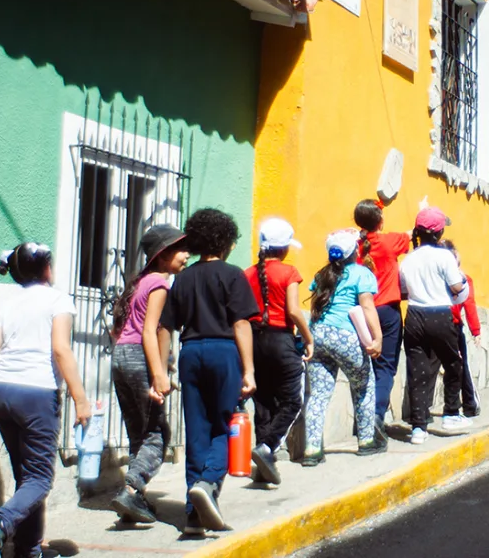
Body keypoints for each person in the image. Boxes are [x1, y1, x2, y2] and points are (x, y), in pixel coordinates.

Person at [0, 243, 91, 558]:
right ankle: (0, 526)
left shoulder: (8, 304)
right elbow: (61, 350)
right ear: (47, 269)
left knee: (26, 478)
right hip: (37, 393)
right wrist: (80, 399)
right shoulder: (57, 300)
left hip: (3, 392)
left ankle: (28, 550)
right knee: (39, 478)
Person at [158, 208, 258, 534]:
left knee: (197, 431)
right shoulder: (233, 275)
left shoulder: (182, 279)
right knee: (227, 425)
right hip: (223, 351)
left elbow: (165, 327)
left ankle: (193, 516)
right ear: (225, 241)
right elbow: (241, 323)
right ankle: (208, 481)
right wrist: (249, 370)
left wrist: (162, 368)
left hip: (190, 352)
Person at [108, 225, 188, 523]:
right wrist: (159, 373)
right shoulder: (159, 284)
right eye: (179, 250)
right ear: (162, 255)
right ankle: (131, 488)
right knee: (157, 434)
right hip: (139, 356)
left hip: (120, 356)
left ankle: (134, 500)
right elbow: (149, 331)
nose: (186, 255)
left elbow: (123, 330)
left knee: (138, 434)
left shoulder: (140, 281)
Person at [303, 229, 384, 466]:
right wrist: (378, 337)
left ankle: (312, 449)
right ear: (354, 252)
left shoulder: (322, 275)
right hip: (346, 336)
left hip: (318, 335)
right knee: (363, 386)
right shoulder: (361, 273)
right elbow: (367, 307)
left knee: (319, 394)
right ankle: (367, 441)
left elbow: (316, 304)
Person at [244, 218, 314, 485]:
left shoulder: (247, 274)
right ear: (284, 248)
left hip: (253, 341)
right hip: (281, 339)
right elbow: (293, 311)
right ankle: (267, 447)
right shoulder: (289, 272)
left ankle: (263, 465)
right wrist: (308, 338)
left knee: (262, 403)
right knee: (292, 401)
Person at [400, 208, 469, 443]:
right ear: (439, 233)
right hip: (439, 313)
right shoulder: (444, 257)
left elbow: (403, 291)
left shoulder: (408, 259)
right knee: (453, 363)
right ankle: (451, 413)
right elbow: (457, 287)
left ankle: (418, 428)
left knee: (417, 370)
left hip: (414, 315)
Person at [353, 199, 410, 430]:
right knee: (385, 368)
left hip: (360, 313)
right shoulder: (389, 242)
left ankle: (361, 419)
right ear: (380, 221)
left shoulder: (354, 246)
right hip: (386, 311)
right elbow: (411, 234)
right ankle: (375, 417)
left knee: (362, 368)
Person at [443, 240, 481, 418]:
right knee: (461, 364)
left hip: (429, 322)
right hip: (453, 326)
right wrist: (476, 331)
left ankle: (420, 413)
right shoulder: (463, 279)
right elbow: (469, 304)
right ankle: (469, 404)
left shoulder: (435, 277)